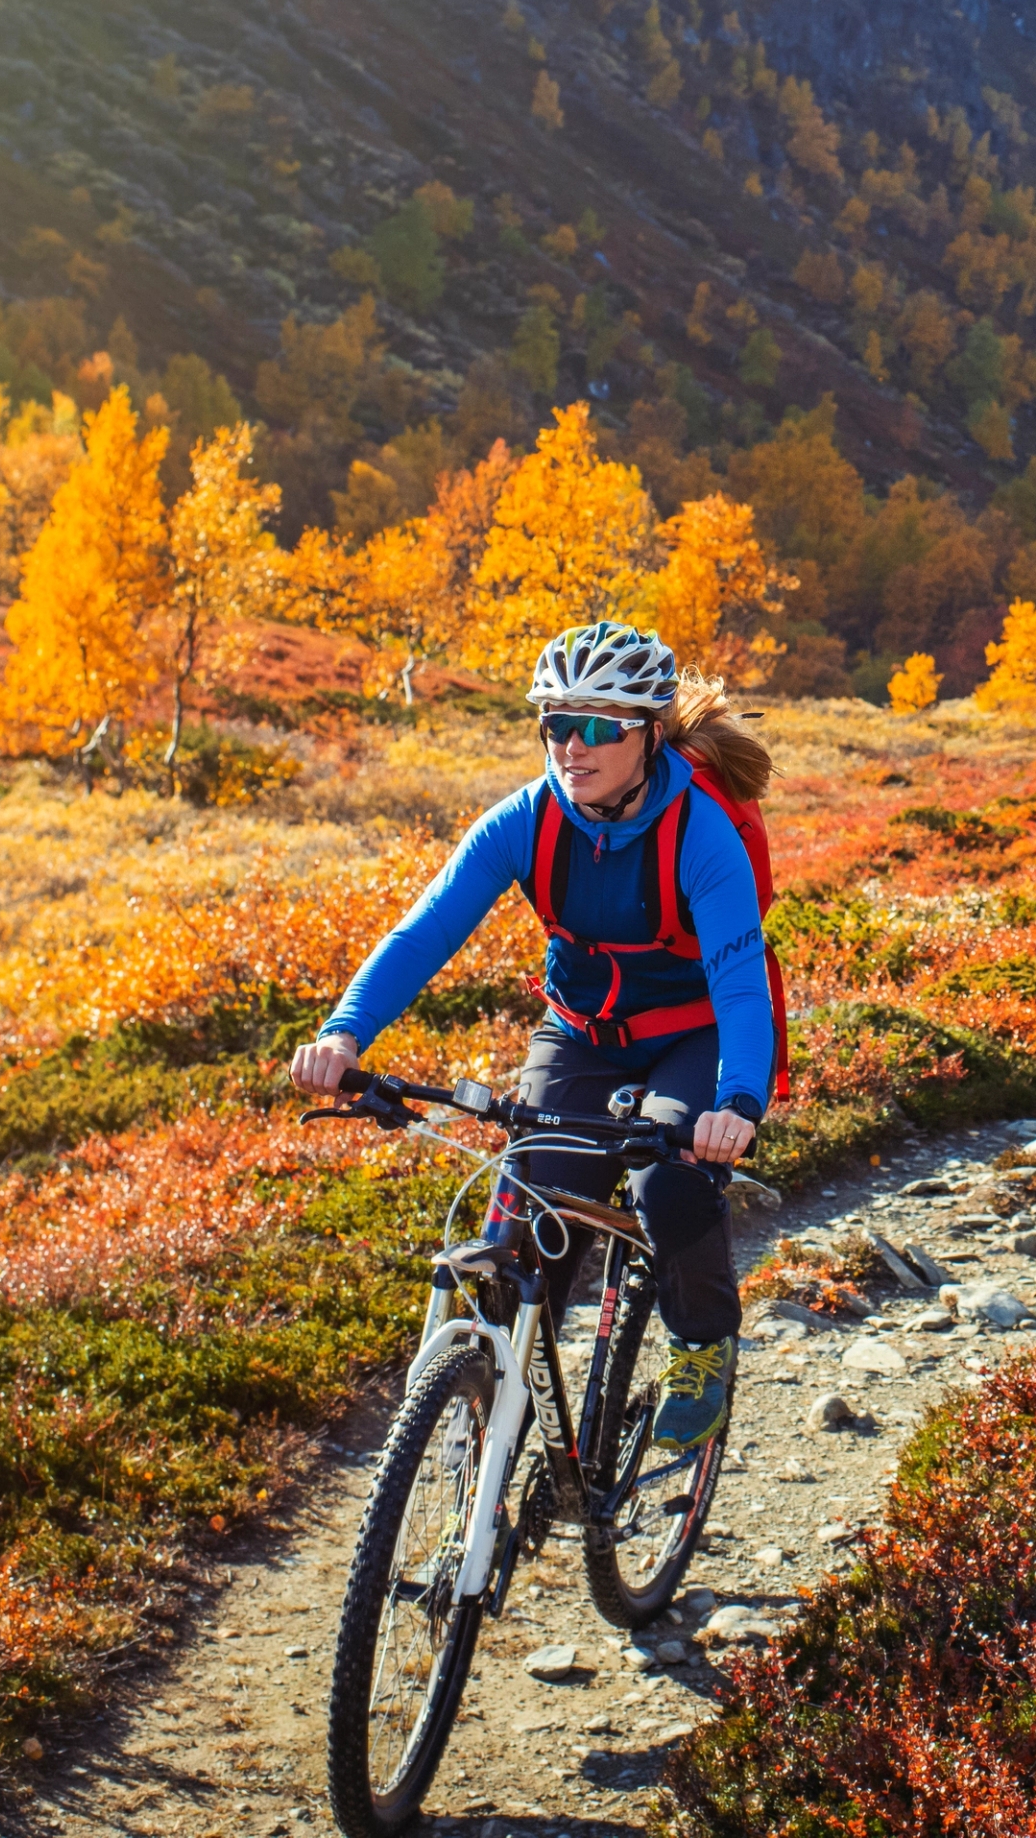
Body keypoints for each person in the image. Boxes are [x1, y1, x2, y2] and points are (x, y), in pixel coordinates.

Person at [288, 621, 774, 1455]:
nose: (572, 747)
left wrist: (734, 1103)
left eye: (598, 726)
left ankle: (702, 1346)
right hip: (581, 1033)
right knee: (527, 1220)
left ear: (649, 735)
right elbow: (424, 932)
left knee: (671, 1181)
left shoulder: (703, 836)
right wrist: (344, 1031)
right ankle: (487, 1448)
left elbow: (740, 984)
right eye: (556, 723)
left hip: (693, 1037)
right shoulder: (526, 818)